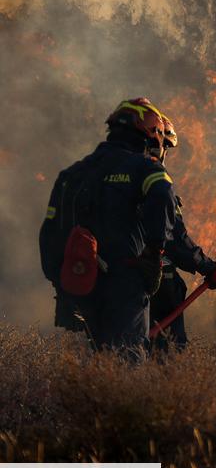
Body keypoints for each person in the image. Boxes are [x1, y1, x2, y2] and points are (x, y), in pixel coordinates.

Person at [40, 98, 176, 356]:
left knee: (89, 363)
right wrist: (154, 252)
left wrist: (61, 281)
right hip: (124, 284)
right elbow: (164, 196)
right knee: (126, 361)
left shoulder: (73, 174)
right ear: (150, 134)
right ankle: (116, 396)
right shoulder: (145, 168)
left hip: (78, 283)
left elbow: (48, 234)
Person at [148, 117, 216, 350]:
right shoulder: (153, 182)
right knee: (167, 351)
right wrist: (209, 268)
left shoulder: (103, 178)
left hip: (108, 281)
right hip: (153, 281)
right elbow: (173, 237)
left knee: (116, 349)